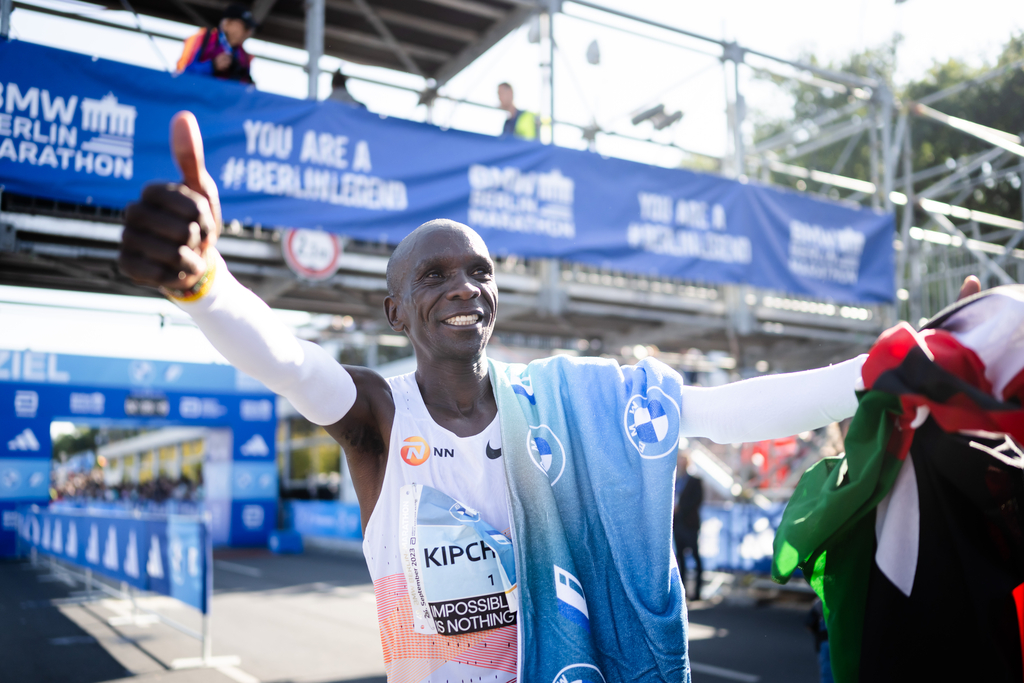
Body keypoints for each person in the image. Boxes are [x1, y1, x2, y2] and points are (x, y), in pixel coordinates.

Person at [118, 111, 943, 683]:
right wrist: (207, 286)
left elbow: (725, 409)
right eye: (434, 275)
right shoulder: (378, 418)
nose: (463, 286)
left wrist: (884, 367)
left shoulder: (568, 405)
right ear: (395, 308)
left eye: (479, 271)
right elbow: (291, 362)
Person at [176, 4, 256, 85]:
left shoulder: (244, 56)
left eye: (251, 29)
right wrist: (212, 65)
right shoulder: (202, 38)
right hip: (194, 96)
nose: (249, 32)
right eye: (245, 27)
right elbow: (180, 73)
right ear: (227, 24)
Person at [673, 451, 704, 601]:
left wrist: (680, 508)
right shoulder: (675, 481)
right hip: (677, 524)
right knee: (680, 560)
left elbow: (697, 501)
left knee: (695, 557)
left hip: (690, 525)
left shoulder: (695, 480)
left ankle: (697, 592)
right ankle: (682, 592)